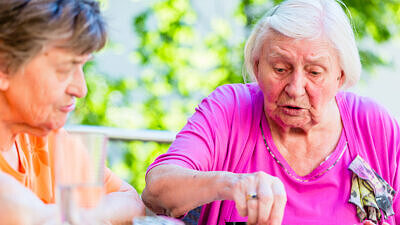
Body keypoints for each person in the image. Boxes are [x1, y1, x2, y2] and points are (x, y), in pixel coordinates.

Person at [142, 0, 399, 224]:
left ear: (340, 77)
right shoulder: (229, 109)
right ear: (257, 67)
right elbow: (157, 190)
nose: (295, 88)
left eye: (314, 72)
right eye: (280, 69)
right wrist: (230, 184)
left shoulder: (372, 125)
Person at [0, 0, 145, 224]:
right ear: (4, 66)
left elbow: (131, 202)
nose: (81, 89)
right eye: (65, 69)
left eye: (83, 66)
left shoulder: (47, 138)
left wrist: (81, 216)